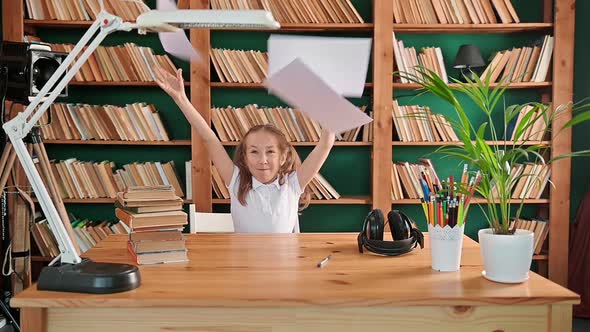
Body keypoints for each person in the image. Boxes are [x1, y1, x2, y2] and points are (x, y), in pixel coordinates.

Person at [155, 67, 336, 233]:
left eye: (270, 152)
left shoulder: (293, 184)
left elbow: (325, 144)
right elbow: (209, 138)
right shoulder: (236, 181)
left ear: (283, 157)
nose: (262, 160)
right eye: (254, 152)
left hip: (285, 266)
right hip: (243, 264)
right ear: (245, 157)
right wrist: (181, 99)